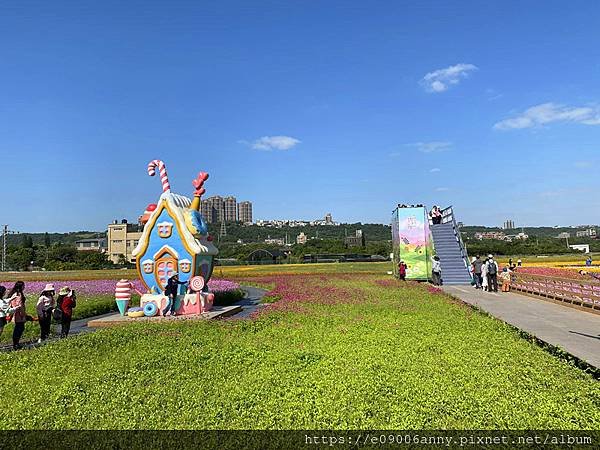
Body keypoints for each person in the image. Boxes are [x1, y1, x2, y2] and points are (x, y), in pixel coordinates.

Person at [7, 281, 27, 349]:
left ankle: (16, 344)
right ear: (21, 287)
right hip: (19, 314)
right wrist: (23, 315)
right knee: (19, 328)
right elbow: (20, 306)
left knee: (18, 328)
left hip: (16, 313)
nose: (24, 287)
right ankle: (16, 344)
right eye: (23, 286)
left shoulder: (14, 293)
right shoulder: (18, 295)